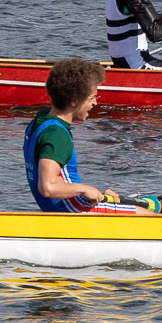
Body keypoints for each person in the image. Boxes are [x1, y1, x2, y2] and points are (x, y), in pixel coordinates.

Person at [23, 58, 142, 213]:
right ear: (74, 101)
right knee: (149, 216)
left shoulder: (39, 122)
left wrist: (94, 194)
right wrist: (84, 190)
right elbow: (48, 187)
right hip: (73, 211)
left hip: (65, 207)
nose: (95, 104)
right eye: (92, 98)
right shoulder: (56, 134)